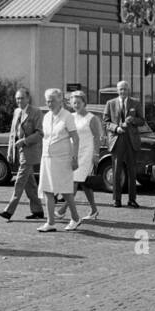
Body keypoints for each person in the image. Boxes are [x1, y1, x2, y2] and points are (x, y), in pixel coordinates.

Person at [37, 88, 80, 232]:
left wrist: (75, 158)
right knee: (47, 190)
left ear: (60, 101)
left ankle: (75, 218)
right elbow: (46, 138)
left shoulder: (67, 116)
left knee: (65, 191)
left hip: (63, 159)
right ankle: (50, 222)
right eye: (47, 101)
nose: (49, 103)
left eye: (52, 100)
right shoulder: (46, 117)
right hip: (47, 158)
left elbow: (75, 138)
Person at [57, 90, 103, 221]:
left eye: (78, 102)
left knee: (75, 181)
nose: (76, 105)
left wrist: (96, 154)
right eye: (74, 102)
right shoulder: (70, 117)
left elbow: (97, 138)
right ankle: (94, 210)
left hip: (87, 154)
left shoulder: (91, 118)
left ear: (84, 103)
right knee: (84, 183)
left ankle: (62, 210)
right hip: (73, 153)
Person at [0, 87, 44, 221]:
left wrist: (25, 141)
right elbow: (13, 133)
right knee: (30, 184)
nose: (19, 100)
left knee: (19, 182)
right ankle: (38, 211)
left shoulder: (36, 112)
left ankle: (9, 210)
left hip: (30, 152)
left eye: (22, 98)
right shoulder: (16, 112)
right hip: (20, 152)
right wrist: (10, 151)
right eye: (17, 98)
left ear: (28, 98)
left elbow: (40, 134)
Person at [105, 80, 144, 208]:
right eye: (121, 89)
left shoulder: (136, 103)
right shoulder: (110, 104)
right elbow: (106, 122)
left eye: (125, 89)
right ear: (117, 90)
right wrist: (116, 128)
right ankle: (117, 200)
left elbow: (142, 121)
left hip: (131, 140)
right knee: (116, 171)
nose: (123, 91)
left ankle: (132, 199)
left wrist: (133, 120)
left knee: (132, 171)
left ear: (129, 90)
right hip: (117, 140)